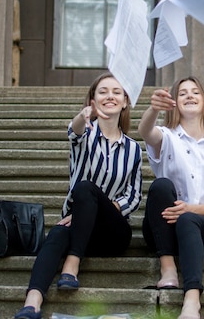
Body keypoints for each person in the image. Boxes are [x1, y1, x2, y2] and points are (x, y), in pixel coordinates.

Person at [14, 72, 143, 319]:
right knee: (58, 233)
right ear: (92, 100)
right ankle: (32, 302)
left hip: (112, 233)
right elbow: (73, 130)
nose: (110, 96)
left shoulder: (133, 149)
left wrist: (95, 211)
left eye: (117, 92)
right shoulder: (84, 134)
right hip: (76, 229)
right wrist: (83, 117)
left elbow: (134, 196)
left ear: (125, 101)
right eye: (103, 91)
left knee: (86, 189)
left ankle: (72, 264)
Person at [138, 76, 204, 319]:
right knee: (161, 185)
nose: (189, 96)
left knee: (187, 220)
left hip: (201, 231)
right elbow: (145, 131)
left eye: (195, 92)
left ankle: (192, 299)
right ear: (174, 103)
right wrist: (154, 108)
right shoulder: (166, 137)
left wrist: (189, 210)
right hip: (163, 228)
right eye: (182, 93)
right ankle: (167, 268)